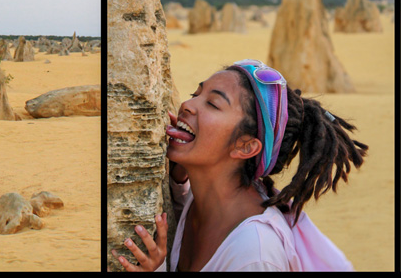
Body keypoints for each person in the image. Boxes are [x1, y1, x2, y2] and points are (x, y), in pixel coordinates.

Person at [113, 59, 367, 271]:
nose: (187, 105)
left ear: (246, 146)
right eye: (196, 94)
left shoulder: (255, 254)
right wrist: (178, 180)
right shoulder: (203, 199)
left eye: (212, 104)